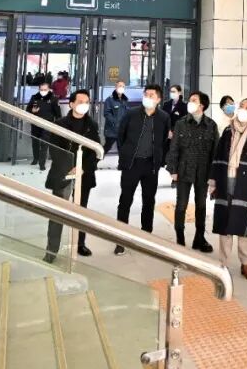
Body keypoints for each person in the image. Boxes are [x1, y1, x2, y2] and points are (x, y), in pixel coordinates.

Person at [209, 98, 247, 281]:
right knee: (225, 225)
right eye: (241, 106)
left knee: (245, 225)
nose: (243, 109)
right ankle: (223, 263)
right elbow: (218, 156)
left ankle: (246, 263)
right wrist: (213, 181)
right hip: (225, 180)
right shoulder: (228, 130)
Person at [44, 89, 101, 261]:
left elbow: (95, 150)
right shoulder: (60, 124)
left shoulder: (92, 125)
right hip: (64, 173)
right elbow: (54, 149)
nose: (84, 105)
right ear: (71, 104)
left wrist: (82, 167)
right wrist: (69, 168)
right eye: (80, 101)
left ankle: (80, 244)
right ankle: (51, 250)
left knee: (81, 211)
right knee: (58, 213)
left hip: (83, 173)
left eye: (87, 102)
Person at [114, 84, 170, 253]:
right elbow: (121, 136)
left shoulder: (163, 117)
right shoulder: (131, 114)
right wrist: (125, 154)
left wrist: (159, 160)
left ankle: (147, 237)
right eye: (146, 94)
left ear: (158, 99)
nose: (147, 97)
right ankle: (120, 239)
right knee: (125, 200)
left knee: (149, 201)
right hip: (131, 164)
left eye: (151, 95)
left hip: (151, 165)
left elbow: (164, 140)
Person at [166, 91, 219, 253]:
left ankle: (199, 238)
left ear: (202, 105)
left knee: (201, 206)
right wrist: (173, 169)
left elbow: (215, 152)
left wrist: (214, 175)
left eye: (194, 100)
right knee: (181, 205)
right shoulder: (181, 123)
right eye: (190, 100)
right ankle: (180, 239)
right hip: (183, 170)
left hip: (203, 172)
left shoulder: (211, 125)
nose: (190, 102)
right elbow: (174, 148)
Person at [26, 80, 62, 170]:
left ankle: (42, 164)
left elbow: (58, 114)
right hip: (35, 123)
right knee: (35, 141)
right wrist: (32, 111)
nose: (43, 91)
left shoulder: (53, 99)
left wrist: (57, 125)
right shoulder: (34, 97)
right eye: (41, 90)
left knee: (44, 143)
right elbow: (28, 109)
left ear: (49, 89)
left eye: (45, 90)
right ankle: (35, 158)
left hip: (47, 123)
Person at [102, 80, 129, 156]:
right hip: (111, 130)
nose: (121, 87)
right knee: (107, 147)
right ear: (116, 87)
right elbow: (107, 113)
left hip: (122, 130)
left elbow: (126, 113)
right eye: (120, 86)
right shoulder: (109, 100)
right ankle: (95, 160)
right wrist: (115, 123)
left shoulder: (125, 100)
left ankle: (122, 162)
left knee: (122, 148)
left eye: (123, 86)